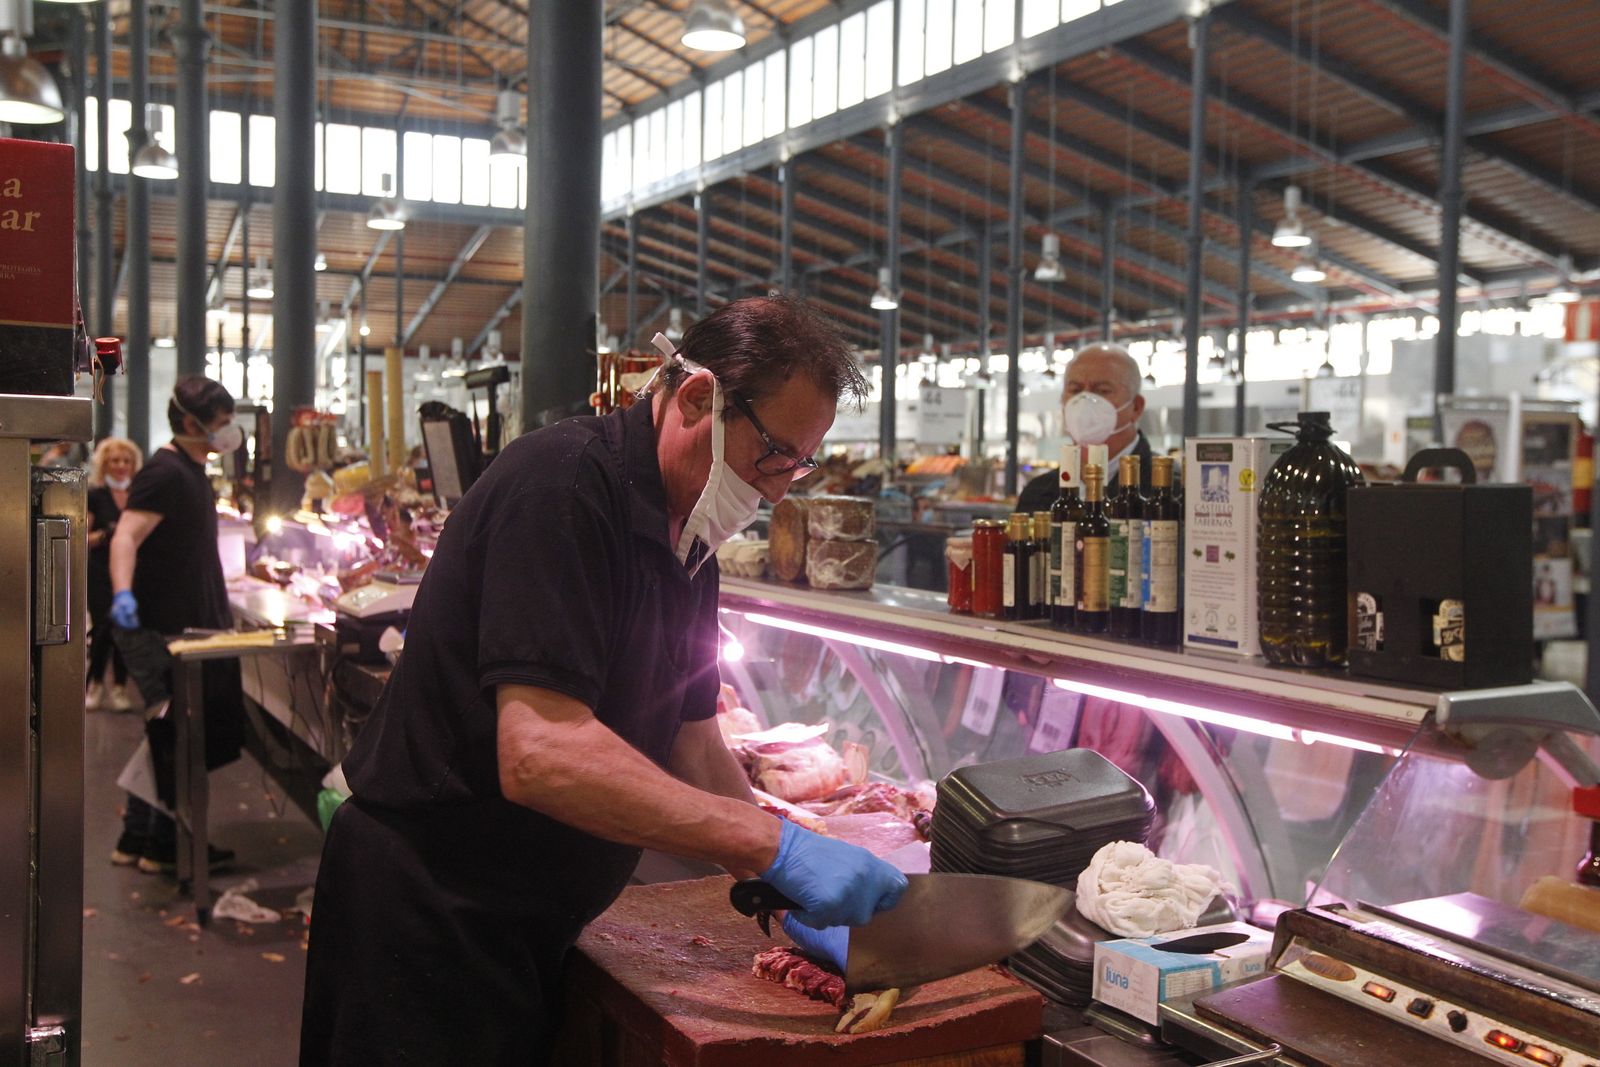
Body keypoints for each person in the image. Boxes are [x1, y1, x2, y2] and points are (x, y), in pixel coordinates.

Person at [300, 296, 907, 1066]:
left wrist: (779, 881)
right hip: (427, 916)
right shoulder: (562, 486)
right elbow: (540, 752)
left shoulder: (690, 547)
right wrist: (767, 843)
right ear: (698, 399)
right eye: (774, 455)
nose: (780, 490)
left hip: (527, 920)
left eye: (799, 463)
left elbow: (693, 739)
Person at [107, 377, 245, 875]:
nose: (229, 431)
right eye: (222, 423)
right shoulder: (166, 472)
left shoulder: (191, 469)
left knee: (165, 733)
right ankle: (166, 845)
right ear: (190, 422)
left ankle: (140, 838)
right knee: (176, 735)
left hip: (182, 623)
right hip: (160, 627)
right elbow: (125, 537)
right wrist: (122, 593)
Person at [1017, 341, 1153, 514]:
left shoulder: (1169, 493)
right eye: (1075, 390)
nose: (1085, 401)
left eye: (1102, 390)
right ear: (1062, 401)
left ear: (1136, 407)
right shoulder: (1037, 494)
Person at [86, 437, 143, 712]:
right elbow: (82, 538)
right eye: (115, 461)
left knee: (125, 630)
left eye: (126, 461)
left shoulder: (138, 495)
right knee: (102, 629)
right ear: (105, 464)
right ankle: (95, 684)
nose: (121, 466)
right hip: (100, 572)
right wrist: (105, 535)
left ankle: (120, 686)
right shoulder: (95, 496)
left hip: (131, 572)